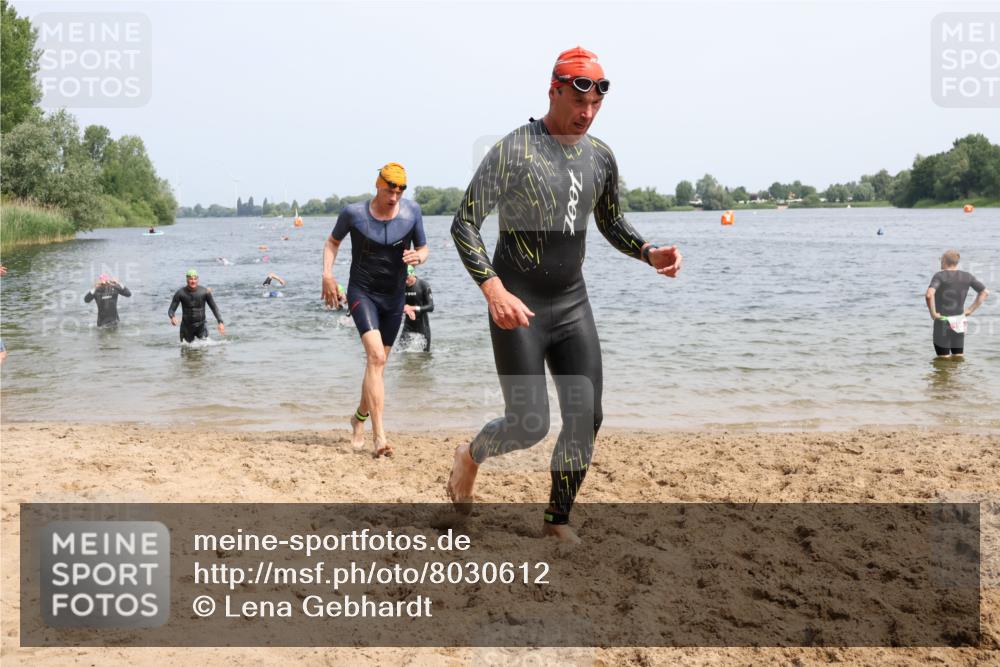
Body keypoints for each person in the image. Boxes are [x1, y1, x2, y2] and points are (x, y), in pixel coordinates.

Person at [446, 47, 683, 542]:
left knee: (587, 415)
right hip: (518, 303)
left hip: (572, 303)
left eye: (597, 105)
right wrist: (493, 289)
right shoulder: (515, 150)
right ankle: (469, 457)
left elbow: (610, 220)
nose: (588, 114)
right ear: (553, 91)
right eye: (579, 102)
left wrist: (647, 251)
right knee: (529, 425)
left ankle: (557, 520)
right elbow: (464, 222)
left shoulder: (599, 157)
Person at [321, 163, 429, 457]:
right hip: (362, 292)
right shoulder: (353, 214)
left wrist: (418, 257)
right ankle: (379, 438)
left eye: (399, 191)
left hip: (394, 298)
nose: (394, 196)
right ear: (378, 186)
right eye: (389, 190)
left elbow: (424, 248)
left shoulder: (412, 212)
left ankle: (358, 418)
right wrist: (328, 275)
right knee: (376, 357)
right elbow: (332, 243)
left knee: (377, 367)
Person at [925, 249, 989, 357]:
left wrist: (933, 314)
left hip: (943, 321)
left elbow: (929, 295)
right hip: (959, 321)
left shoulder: (940, 276)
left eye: (941, 259)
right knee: (958, 356)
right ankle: (959, 374)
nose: (940, 261)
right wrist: (970, 310)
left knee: (943, 360)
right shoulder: (967, 276)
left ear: (944, 261)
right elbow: (985, 292)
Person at [169, 269, 225, 343]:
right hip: (186, 326)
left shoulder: (205, 292)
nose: (193, 281)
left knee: (204, 349)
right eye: (191, 279)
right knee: (186, 350)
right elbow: (171, 309)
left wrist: (220, 322)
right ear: (187, 279)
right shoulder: (180, 293)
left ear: (198, 280)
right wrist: (172, 317)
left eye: (195, 279)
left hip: (201, 325)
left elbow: (214, 308)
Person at [399, 265, 434, 351]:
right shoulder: (401, 286)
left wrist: (413, 308)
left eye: (407, 278)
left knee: (425, 356)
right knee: (401, 352)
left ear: (412, 274)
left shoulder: (423, 285)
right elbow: (395, 305)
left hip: (422, 326)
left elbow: (431, 307)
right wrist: (405, 309)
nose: (406, 281)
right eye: (403, 278)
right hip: (408, 325)